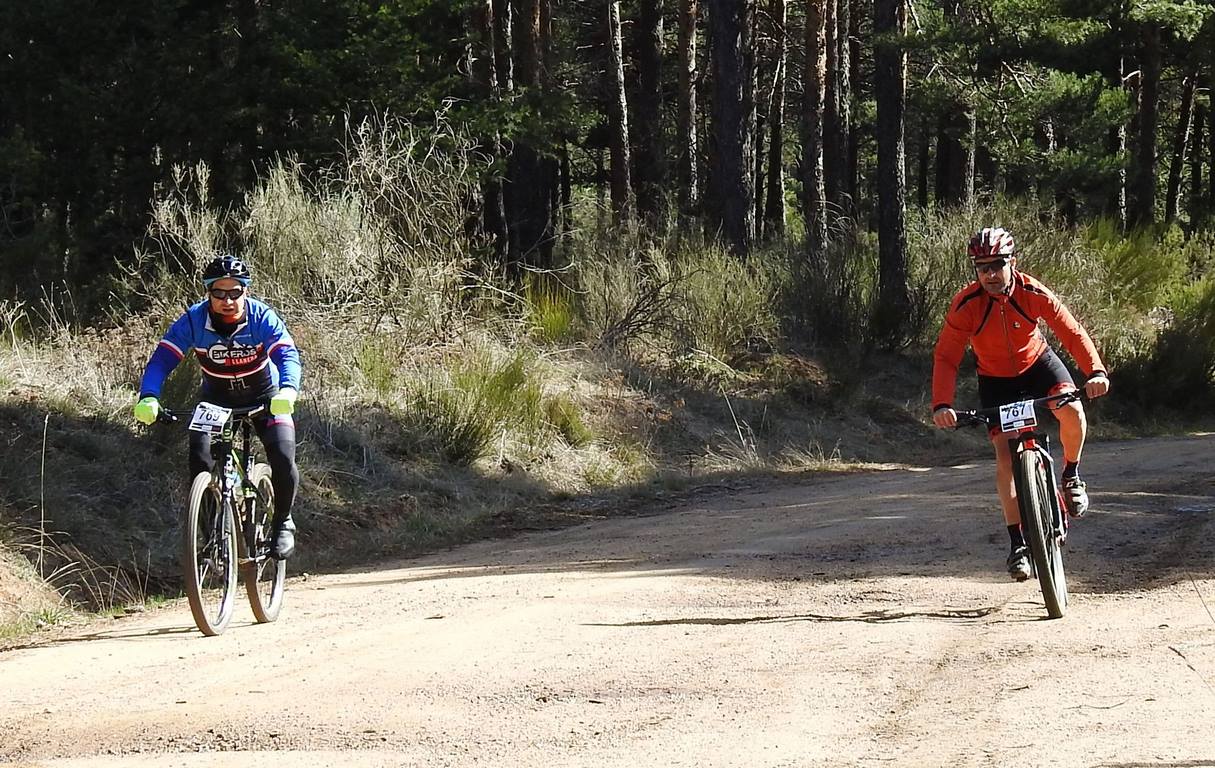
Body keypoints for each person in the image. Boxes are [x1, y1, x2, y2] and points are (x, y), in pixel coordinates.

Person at [931, 227, 1110, 581]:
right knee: (1004, 459)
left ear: (1012, 263)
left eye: (997, 265)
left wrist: (1095, 372)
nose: (991, 275)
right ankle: (1019, 544)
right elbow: (946, 357)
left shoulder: (1031, 291)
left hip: (1037, 365)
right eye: (982, 267)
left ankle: (1071, 475)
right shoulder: (966, 305)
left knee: (1071, 409)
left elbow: (1070, 331)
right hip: (996, 381)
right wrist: (941, 404)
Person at [133, 255, 302, 560]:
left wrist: (288, 390)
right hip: (216, 399)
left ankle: (283, 522)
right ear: (208, 293)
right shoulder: (194, 321)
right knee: (199, 455)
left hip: (266, 396)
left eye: (235, 292)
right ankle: (212, 534)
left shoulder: (262, 317)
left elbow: (287, 355)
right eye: (219, 293)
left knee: (282, 454)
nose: (227, 300)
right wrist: (149, 396)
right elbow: (161, 360)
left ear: (246, 291)